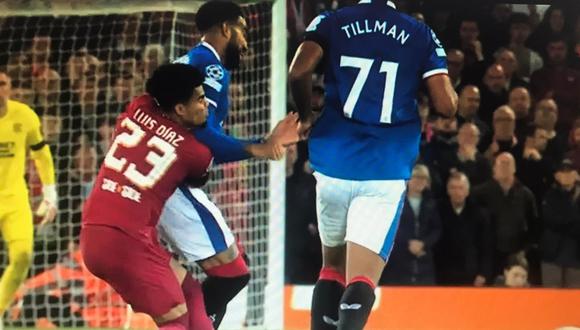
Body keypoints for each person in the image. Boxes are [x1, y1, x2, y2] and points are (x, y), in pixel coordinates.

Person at [288, 1, 457, 329]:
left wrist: (306, 114)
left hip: (334, 159)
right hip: (384, 164)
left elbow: (298, 70)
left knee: (332, 266)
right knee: (362, 275)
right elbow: (445, 105)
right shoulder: (419, 32)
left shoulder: (331, 21)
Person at [160, 1, 298, 328]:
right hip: (174, 187)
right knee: (233, 274)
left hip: (164, 181)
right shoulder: (209, 67)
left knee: (230, 271)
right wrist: (261, 147)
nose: (245, 41)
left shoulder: (190, 61)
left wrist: (261, 142)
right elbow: (201, 133)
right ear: (226, 29)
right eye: (242, 31)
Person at [0, 71, 57, 330]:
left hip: (14, 198)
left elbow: (41, 154)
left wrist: (50, 194)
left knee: (23, 255)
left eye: (2, 83)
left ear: (9, 87)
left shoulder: (24, 115)